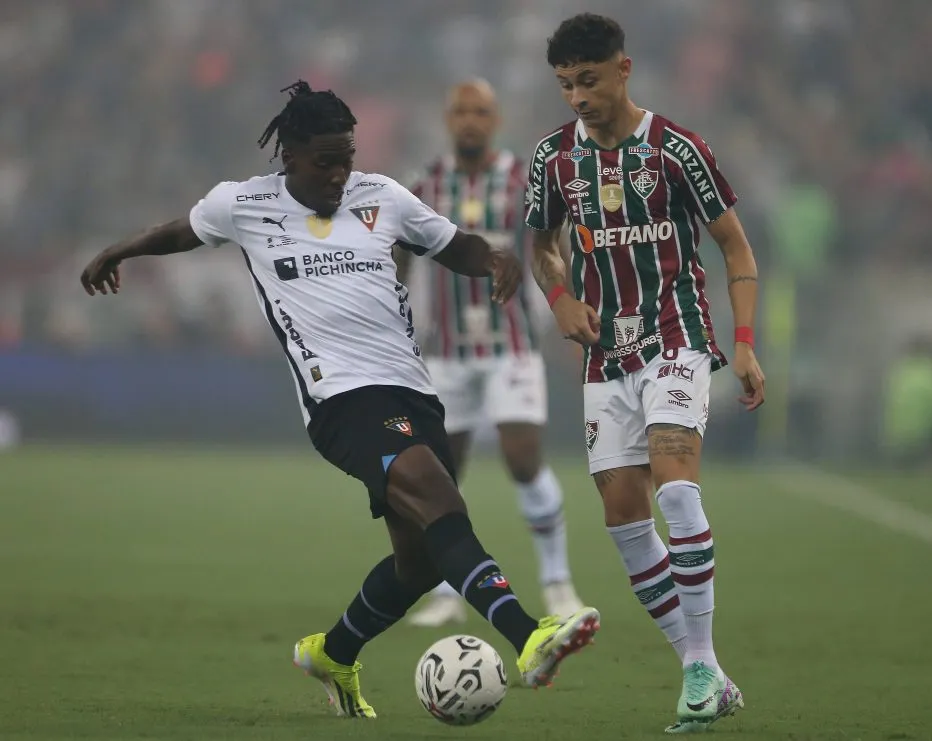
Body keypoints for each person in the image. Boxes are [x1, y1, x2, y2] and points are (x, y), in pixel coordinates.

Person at [80, 80, 599, 719]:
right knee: (441, 500)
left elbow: (449, 243)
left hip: (412, 389)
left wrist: (491, 259)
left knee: (417, 564)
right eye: (325, 162)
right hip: (339, 399)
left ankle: (333, 652)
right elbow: (180, 233)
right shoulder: (243, 204)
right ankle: (529, 637)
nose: (338, 174)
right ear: (290, 156)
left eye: (346, 159)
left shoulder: (382, 196)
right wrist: (118, 251)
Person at [525, 15, 765, 733]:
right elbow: (541, 245)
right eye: (565, 84)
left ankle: (700, 666)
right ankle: (705, 672)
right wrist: (560, 298)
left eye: (588, 80)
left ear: (622, 69)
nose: (578, 96)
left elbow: (735, 247)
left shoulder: (677, 149)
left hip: (677, 336)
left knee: (677, 488)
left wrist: (744, 343)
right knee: (624, 517)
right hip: (606, 353)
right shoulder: (553, 159)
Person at [396, 78, 583, 627]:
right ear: (448, 119)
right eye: (461, 112)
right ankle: (447, 592)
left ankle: (558, 585)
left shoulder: (523, 181)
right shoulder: (425, 185)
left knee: (523, 459)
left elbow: (549, 250)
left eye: (480, 112)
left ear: (495, 120)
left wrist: (568, 307)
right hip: (447, 351)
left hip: (511, 344)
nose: (470, 121)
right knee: (441, 475)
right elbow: (400, 256)